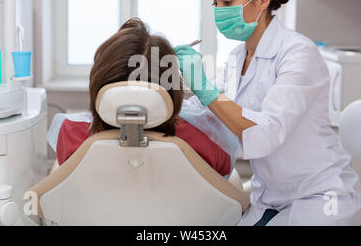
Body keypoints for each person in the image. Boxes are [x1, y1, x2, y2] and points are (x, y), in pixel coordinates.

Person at [174, 0, 361, 226]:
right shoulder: (237, 58)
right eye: (215, 3)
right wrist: (161, 101)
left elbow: (266, 132)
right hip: (270, 195)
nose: (218, 11)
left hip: (321, 196)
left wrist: (204, 87)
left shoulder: (298, 52)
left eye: (227, 1)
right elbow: (208, 112)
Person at [46, 18, 237, 178]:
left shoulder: (72, 134)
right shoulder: (204, 142)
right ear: (171, 87)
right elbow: (223, 179)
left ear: (99, 81)